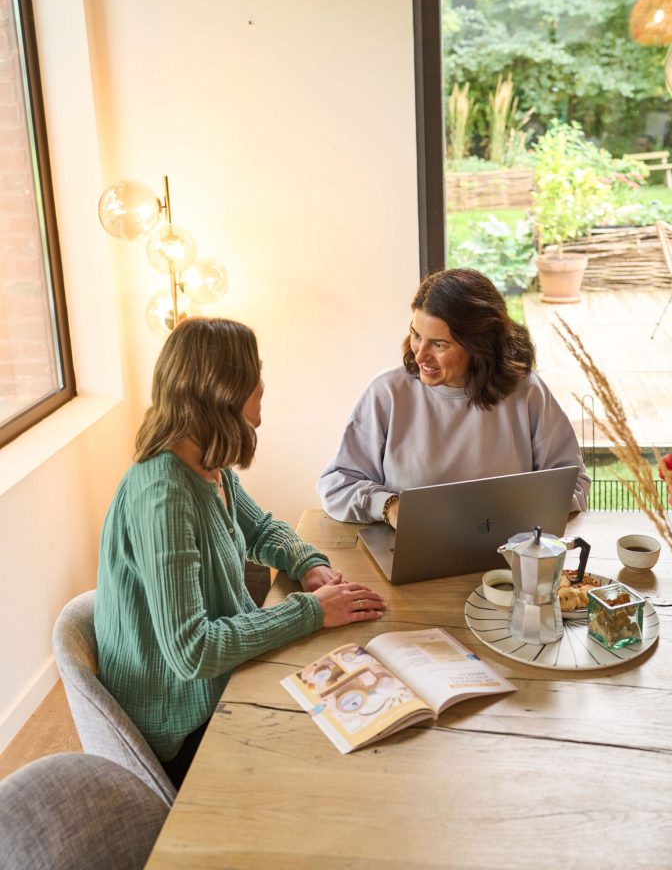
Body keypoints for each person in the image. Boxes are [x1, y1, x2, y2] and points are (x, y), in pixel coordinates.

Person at [95, 318, 385, 788]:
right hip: (181, 721)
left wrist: (308, 564)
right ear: (223, 390)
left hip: (221, 680)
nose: (262, 386)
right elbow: (192, 652)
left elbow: (263, 529)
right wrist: (311, 611)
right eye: (255, 375)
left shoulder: (206, 460)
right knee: (331, 758)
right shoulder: (164, 496)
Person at [318, 268, 590, 527]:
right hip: (410, 550)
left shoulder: (527, 393)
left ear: (479, 345)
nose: (420, 355)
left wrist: (516, 515)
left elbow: (573, 482)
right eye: (416, 335)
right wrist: (390, 506)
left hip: (508, 552)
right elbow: (338, 484)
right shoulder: (387, 393)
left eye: (439, 344)